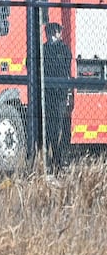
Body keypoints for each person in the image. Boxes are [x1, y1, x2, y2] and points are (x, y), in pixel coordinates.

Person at [43, 21, 73, 169]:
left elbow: (64, 69)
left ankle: (57, 160)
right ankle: (50, 160)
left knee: (56, 128)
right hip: (50, 95)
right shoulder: (45, 50)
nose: (59, 34)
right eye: (57, 31)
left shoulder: (62, 50)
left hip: (56, 95)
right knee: (49, 128)